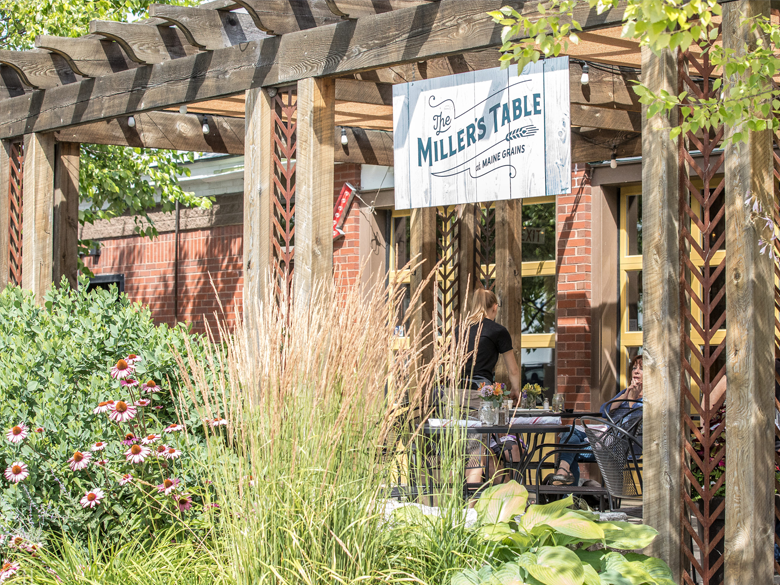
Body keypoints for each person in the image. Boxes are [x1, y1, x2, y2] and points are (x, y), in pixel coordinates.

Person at [453, 289, 521, 490]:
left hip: (456, 394)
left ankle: (506, 495)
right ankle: (471, 511)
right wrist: (516, 391)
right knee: (476, 454)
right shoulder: (497, 331)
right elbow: (513, 368)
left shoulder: (458, 329)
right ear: (495, 306)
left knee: (478, 449)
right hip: (480, 395)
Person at [550, 354, 644, 486]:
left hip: (622, 447)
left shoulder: (648, 400)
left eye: (641, 368)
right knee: (571, 431)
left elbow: (628, 428)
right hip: (607, 438)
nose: (636, 371)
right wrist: (625, 395)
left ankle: (567, 486)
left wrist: (632, 400)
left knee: (570, 451)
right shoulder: (626, 392)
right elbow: (603, 412)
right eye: (634, 368)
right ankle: (564, 471)